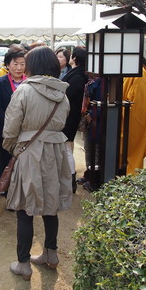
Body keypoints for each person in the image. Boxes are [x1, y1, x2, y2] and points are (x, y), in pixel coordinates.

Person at [3, 46, 72, 281]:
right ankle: (51, 255)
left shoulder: (24, 91)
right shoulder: (63, 94)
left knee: (25, 209)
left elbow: (11, 127)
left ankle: (23, 263)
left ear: (32, 66)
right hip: (56, 153)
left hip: (30, 153)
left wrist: (13, 148)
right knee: (50, 206)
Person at [0, 47, 26, 189]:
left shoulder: (29, 82)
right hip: (3, 126)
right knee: (2, 156)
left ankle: (17, 186)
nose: (19, 68)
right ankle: (2, 184)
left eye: (22, 64)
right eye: (15, 64)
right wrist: (9, 124)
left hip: (24, 129)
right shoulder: (0, 82)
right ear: (7, 65)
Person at [61, 47, 88, 192]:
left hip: (69, 117)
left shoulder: (77, 76)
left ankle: (70, 180)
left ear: (75, 58)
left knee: (66, 149)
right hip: (68, 116)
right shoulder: (77, 73)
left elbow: (67, 96)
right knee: (66, 148)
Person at [121, 63, 146, 175]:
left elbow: (135, 105)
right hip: (123, 119)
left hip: (132, 121)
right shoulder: (128, 71)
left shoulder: (139, 74)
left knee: (132, 152)